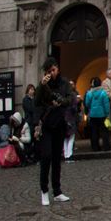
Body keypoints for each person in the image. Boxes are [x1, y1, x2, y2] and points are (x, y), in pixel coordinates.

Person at [35, 57, 74, 206]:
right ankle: (44, 190)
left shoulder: (64, 83)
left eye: (53, 70)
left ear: (57, 68)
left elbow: (69, 99)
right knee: (46, 156)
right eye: (49, 71)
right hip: (47, 124)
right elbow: (36, 102)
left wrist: (60, 101)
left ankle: (57, 191)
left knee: (57, 158)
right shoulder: (43, 85)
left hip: (59, 124)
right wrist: (42, 86)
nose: (52, 73)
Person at [84, 77, 110, 152]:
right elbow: (106, 104)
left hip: (92, 115)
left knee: (94, 132)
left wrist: (90, 110)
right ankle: (106, 146)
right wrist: (107, 113)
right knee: (104, 131)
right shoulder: (103, 93)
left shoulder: (89, 93)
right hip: (102, 115)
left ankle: (95, 147)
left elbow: (87, 104)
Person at [63, 80, 81, 160]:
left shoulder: (63, 94)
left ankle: (66, 154)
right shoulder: (73, 95)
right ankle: (69, 155)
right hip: (71, 118)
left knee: (65, 138)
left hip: (64, 118)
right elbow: (74, 108)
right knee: (71, 138)